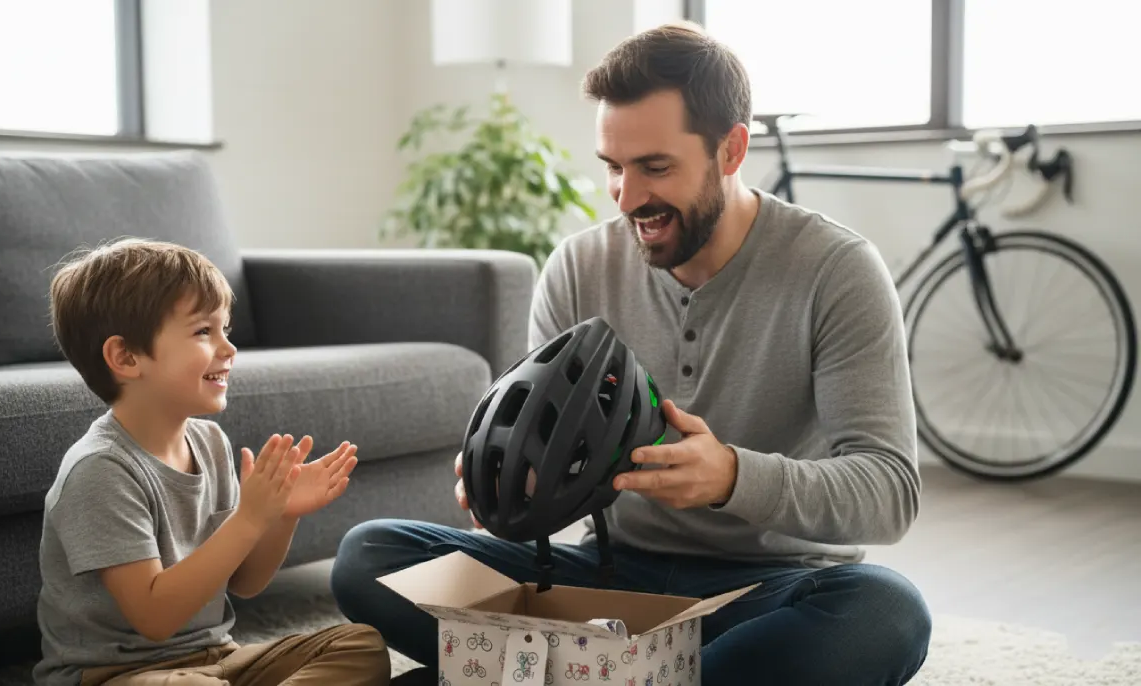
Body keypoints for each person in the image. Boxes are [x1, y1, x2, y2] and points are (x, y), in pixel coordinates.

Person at [332, 21, 931, 686]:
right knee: (372, 554)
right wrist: (517, 485)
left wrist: (732, 477)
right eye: (614, 168)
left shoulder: (835, 270)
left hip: (769, 589)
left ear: (731, 149)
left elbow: (889, 490)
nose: (628, 197)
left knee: (886, 612)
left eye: (655, 167)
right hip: (610, 582)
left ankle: (554, 674)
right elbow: (555, 455)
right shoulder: (578, 266)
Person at [34, 238, 391, 686]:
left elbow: (245, 582)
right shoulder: (100, 470)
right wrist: (248, 517)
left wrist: (279, 515)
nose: (229, 348)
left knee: (359, 645)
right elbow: (155, 616)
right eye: (204, 331)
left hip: (219, 657)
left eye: (225, 329)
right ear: (125, 357)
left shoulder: (209, 442)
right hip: (120, 673)